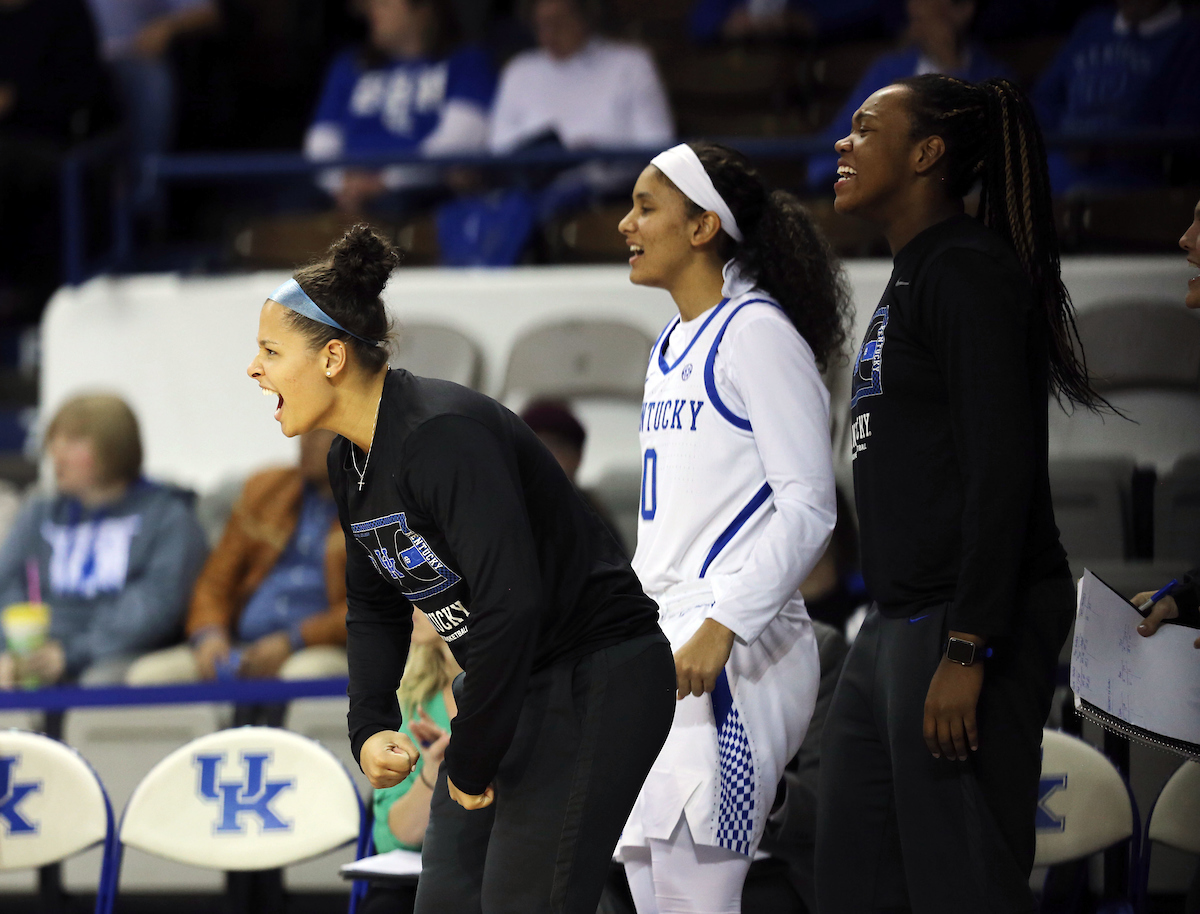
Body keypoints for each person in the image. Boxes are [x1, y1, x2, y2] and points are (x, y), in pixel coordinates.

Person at [245, 224, 675, 914]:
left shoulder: (441, 435)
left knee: (525, 899)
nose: (255, 369)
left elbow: (513, 605)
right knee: (446, 897)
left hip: (596, 676)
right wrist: (370, 723)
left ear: (331, 358)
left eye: (270, 351)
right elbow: (375, 606)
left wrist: (472, 757)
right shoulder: (347, 459)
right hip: (511, 686)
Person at [815, 74, 1104, 912]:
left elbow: (1001, 469)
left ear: (928, 153)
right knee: (851, 878)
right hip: (896, 618)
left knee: (962, 885)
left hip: (961, 622)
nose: (843, 140)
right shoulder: (913, 272)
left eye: (867, 128)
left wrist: (970, 644)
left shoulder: (969, 272)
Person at [615, 141, 847, 913]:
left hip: (738, 650)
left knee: (698, 896)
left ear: (704, 225)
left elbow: (811, 505)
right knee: (654, 892)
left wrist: (723, 623)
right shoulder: (670, 346)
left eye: (647, 206)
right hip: (666, 642)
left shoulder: (757, 332)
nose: (626, 223)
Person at [0, 394, 208, 687]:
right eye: (55, 440)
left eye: (72, 441)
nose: (56, 453)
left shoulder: (168, 516)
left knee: (100, 682)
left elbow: (155, 607)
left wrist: (71, 653)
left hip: (115, 654)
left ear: (114, 449)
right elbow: (6, 585)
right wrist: (12, 650)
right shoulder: (39, 513)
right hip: (36, 653)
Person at [123, 429, 350, 684]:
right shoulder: (265, 490)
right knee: (150, 676)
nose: (304, 441)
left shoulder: (378, 506)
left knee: (302, 675)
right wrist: (209, 634)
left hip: (324, 649)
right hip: (240, 645)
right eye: (304, 430)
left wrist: (296, 640)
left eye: (320, 433)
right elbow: (215, 580)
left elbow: (374, 607)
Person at [486, 0, 674, 224]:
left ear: (586, 14)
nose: (548, 34)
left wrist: (595, 151)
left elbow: (658, 145)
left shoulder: (631, 64)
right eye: (540, 24)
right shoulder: (519, 70)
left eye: (558, 22)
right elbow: (498, 147)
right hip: (528, 194)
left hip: (609, 193)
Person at [304, 0, 495, 216]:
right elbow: (321, 142)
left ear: (424, 9)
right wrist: (342, 183)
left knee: (397, 207)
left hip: (415, 193)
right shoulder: (349, 65)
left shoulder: (468, 62)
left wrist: (387, 182)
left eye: (383, 4)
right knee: (293, 203)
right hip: (344, 190)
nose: (372, 11)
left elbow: (459, 140)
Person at [805, 0, 1012, 193]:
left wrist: (952, 66)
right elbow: (824, 158)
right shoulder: (887, 71)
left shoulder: (996, 79)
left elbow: (993, 162)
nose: (913, 7)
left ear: (964, 9)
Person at [1033, 0, 1200, 193]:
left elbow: (1184, 131)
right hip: (1061, 161)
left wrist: (1108, 145)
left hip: (1130, 180)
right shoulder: (1092, 26)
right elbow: (1044, 100)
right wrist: (1067, 139)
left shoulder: (1188, 38)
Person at [358, 606, 461, 914]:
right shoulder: (410, 701)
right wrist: (434, 768)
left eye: (424, 591)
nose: (408, 601)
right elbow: (396, 838)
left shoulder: (524, 694)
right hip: (428, 874)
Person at [84, 0, 218, 206]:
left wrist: (166, 26)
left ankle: (145, 191)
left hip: (131, 57)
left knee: (151, 78)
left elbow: (207, 12)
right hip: (71, 60)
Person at [519, 399, 628, 555]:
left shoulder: (593, 522)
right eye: (534, 447)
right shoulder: (506, 514)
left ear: (577, 457)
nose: (545, 459)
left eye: (555, 447)